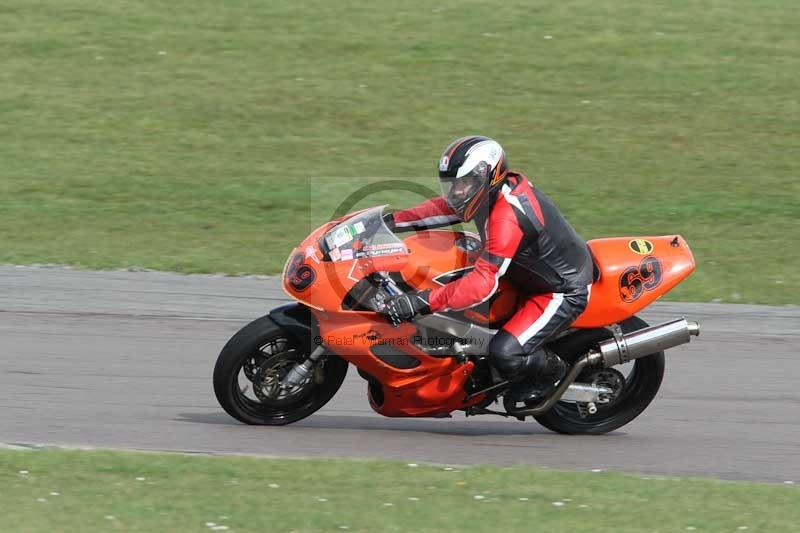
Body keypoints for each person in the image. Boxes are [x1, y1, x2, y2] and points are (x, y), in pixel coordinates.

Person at [381, 136, 595, 402]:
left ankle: (552, 374)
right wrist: (390, 221)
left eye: (464, 184)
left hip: (559, 289)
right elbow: (444, 207)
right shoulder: (486, 193)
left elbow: (483, 283)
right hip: (522, 273)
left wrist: (423, 301)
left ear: (488, 176)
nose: (457, 192)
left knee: (505, 352)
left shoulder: (506, 217)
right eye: (454, 184)